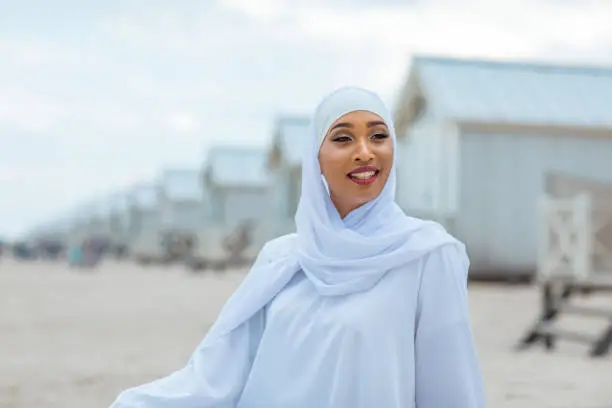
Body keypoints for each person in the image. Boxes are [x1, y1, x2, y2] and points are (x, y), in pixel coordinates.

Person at [109, 86, 486, 407]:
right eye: (342, 138)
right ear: (316, 160)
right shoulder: (283, 260)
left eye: (378, 136)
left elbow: (452, 392)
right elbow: (216, 377)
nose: (365, 152)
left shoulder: (426, 254)